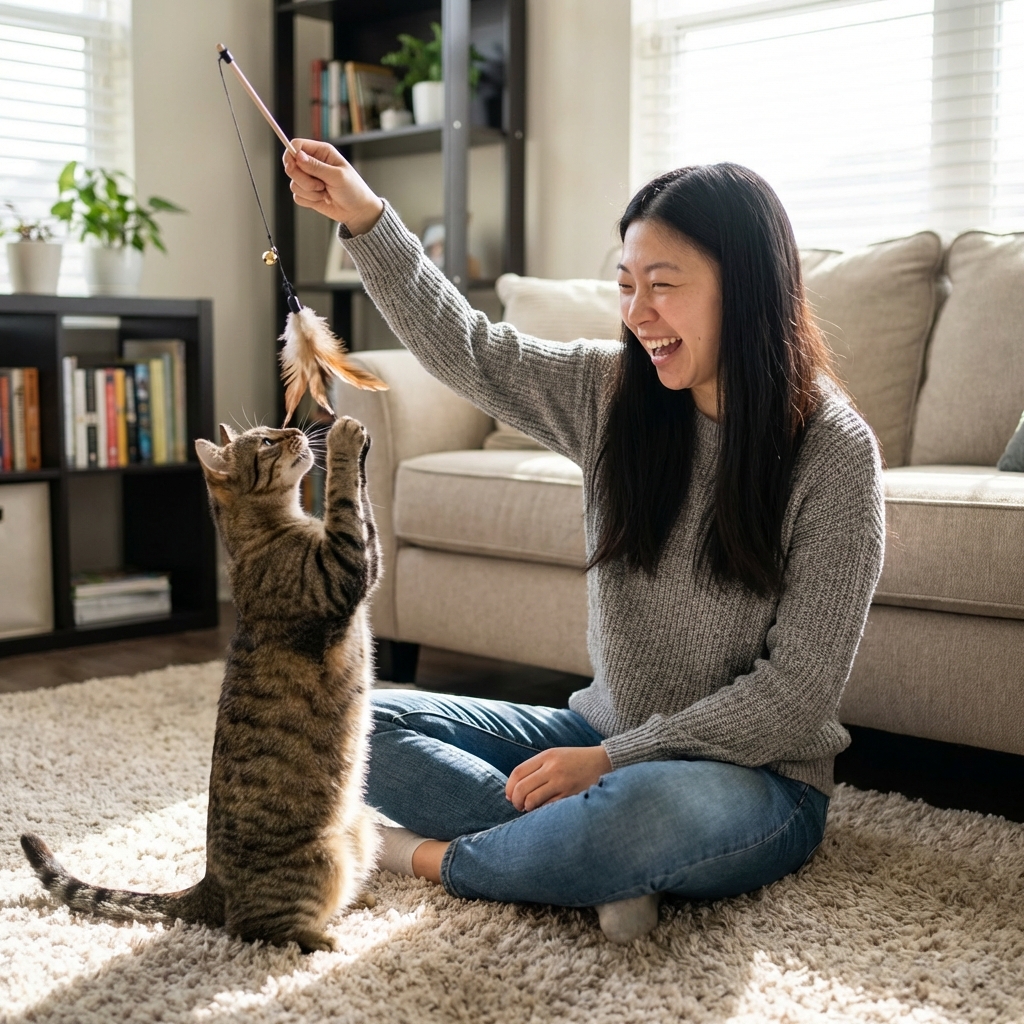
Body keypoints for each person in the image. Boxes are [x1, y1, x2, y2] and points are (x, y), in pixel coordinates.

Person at [283, 144, 885, 943]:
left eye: (663, 287)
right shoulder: (612, 391)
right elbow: (467, 348)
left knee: (643, 811)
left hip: (756, 780)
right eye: (627, 286)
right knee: (349, 716)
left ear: (746, 290)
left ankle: (430, 857)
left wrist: (613, 766)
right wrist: (365, 217)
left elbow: (793, 698)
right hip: (597, 733)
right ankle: (582, 858)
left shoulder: (834, 453)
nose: (638, 314)